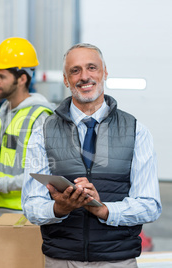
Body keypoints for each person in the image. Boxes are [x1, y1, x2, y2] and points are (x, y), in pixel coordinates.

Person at [22, 43, 162, 267]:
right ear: (66, 80)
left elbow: (149, 205)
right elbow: (31, 205)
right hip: (62, 259)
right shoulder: (43, 133)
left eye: (92, 68)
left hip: (117, 259)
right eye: (75, 71)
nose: (84, 77)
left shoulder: (136, 131)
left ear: (105, 72)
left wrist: (104, 209)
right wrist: (59, 208)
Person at [0, 37, 54, 218]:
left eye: (1, 76)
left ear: (21, 78)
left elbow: (43, 174)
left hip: (26, 212)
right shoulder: (1, 114)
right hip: (1, 208)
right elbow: (2, 164)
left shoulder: (40, 117)